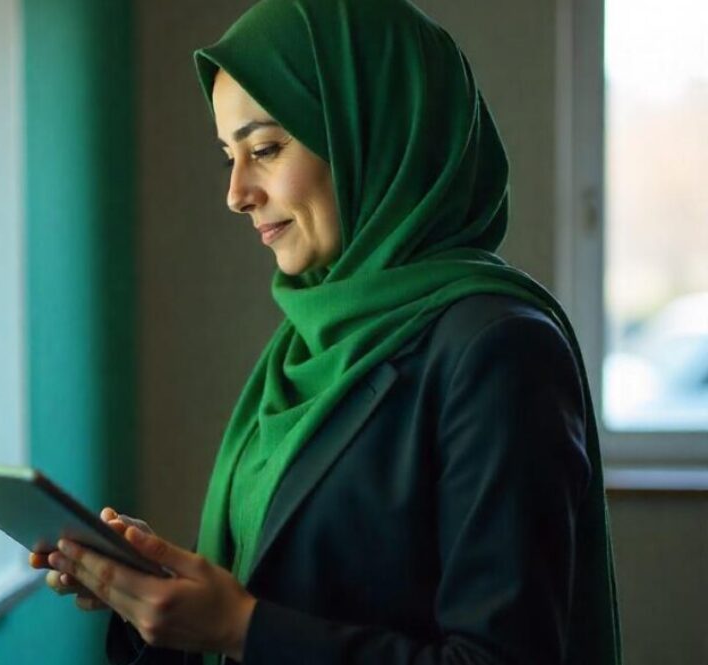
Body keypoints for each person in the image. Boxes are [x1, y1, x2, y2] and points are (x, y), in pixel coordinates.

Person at [30, 0, 622, 662]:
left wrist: (240, 628)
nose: (235, 192)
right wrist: (158, 597)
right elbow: (286, 584)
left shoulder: (500, 349)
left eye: (264, 148)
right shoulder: (305, 345)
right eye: (228, 155)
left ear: (372, 130)